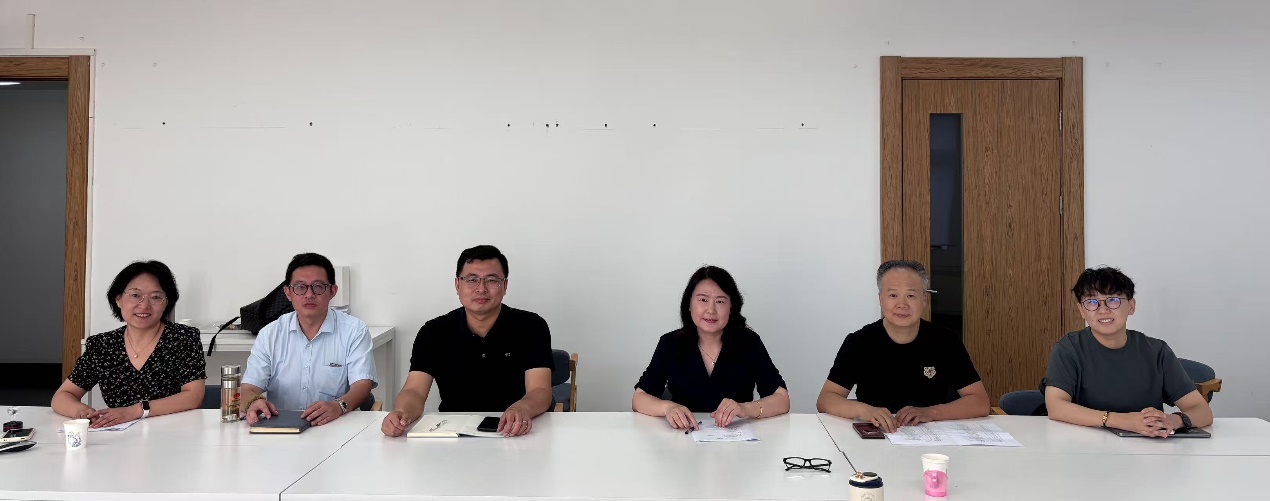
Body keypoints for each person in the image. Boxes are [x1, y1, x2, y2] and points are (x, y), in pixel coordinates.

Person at [382, 245, 552, 438]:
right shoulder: (434, 331)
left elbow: (540, 390)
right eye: (472, 280)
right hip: (452, 433)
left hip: (516, 432)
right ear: (457, 285)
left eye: (492, 280)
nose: (481, 289)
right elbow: (414, 391)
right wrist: (401, 413)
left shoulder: (531, 326)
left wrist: (522, 408)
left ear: (505, 286)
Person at [816, 260, 989, 432]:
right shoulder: (859, 342)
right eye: (893, 295)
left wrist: (931, 412)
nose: (902, 304)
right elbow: (826, 399)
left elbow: (980, 402)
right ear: (880, 299)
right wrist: (864, 410)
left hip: (932, 436)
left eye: (911, 296)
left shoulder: (946, 341)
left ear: (924, 300)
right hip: (877, 435)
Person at [1042, 266, 1213, 436]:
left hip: (1147, 447)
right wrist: (1122, 421)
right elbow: (1056, 407)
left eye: (1113, 300)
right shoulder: (1068, 349)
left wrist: (1173, 421)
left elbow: (1202, 411)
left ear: (1131, 306)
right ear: (1081, 311)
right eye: (1092, 302)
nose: (1103, 310)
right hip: (1084, 443)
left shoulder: (1156, 351)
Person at [632, 265, 790, 430]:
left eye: (720, 301)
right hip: (683, 436)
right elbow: (639, 398)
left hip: (736, 438)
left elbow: (782, 398)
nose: (711, 310)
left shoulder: (748, 342)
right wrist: (667, 407)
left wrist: (745, 408)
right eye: (703, 300)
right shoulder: (671, 343)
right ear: (689, 304)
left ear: (731, 308)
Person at [52, 261, 206, 427]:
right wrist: (83, 412)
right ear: (118, 299)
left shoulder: (183, 338)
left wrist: (135, 411)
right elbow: (63, 395)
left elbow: (193, 396)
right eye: (135, 295)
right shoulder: (102, 345)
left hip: (173, 432)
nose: (144, 305)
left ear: (166, 303)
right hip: (118, 435)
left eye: (156, 297)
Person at [239, 253, 376, 426]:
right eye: (300, 287)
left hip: (335, 426)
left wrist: (339, 406)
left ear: (332, 291)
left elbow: (362, 386)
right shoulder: (270, 334)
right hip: (282, 429)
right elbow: (248, 388)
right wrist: (253, 402)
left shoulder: (354, 331)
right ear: (288, 293)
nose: (309, 295)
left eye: (318, 287)